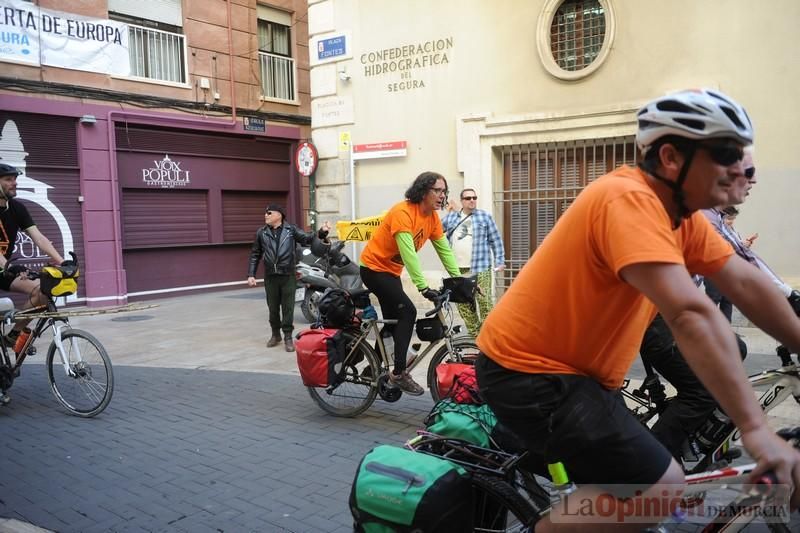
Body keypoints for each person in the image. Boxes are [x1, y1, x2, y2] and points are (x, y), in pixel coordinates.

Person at [475, 89, 800, 530]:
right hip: (530, 373)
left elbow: (743, 281)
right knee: (659, 489)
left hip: (577, 377)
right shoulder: (627, 199)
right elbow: (689, 314)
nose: (740, 169)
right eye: (726, 153)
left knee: (626, 496)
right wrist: (756, 429)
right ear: (670, 157)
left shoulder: (679, 217)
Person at [359, 171, 461, 395]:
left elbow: (444, 249)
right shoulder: (402, 212)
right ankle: (399, 373)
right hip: (374, 269)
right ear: (423, 190)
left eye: (444, 191)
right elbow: (409, 254)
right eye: (437, 190)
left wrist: (458, 278)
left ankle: (374, 369)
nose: (442, 196)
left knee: (394, 320)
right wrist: (423, 287)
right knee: (408, 312)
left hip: (391, 272)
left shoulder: (432, 218)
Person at [0, 164, 67, 403]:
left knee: (43, 290)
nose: (14, 183)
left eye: (14, 179)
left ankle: (13, 335)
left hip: (4, 269)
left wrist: (63, 262)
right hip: (3, 266)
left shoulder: (17, 208)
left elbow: (38, 237)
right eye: (8, 179)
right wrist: (8, 266)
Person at [247, 204, 330, 352]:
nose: (266, 215)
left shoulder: (291, 230)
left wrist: (322, 233)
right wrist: (251, 274)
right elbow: (255, 254)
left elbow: (308, 238)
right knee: (273, 309)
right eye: (265, 213)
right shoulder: (261, 233)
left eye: (269, 213)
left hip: (288, 275)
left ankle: (287, 337)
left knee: (288, 309)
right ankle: (275, 335)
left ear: (279, 215)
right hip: (271, 277)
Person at [441, 188, 505, 337]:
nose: (472, 200)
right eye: (468, 198)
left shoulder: (484, 217)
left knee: (484, 302)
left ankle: (490, 335)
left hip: (480, 267)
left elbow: (495, 240)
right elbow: (434, 231)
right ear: (462, 201)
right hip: (457, 270)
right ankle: (477, 337)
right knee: (464, 305)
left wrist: (500, 260)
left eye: (474, 197)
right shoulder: (451, 218)